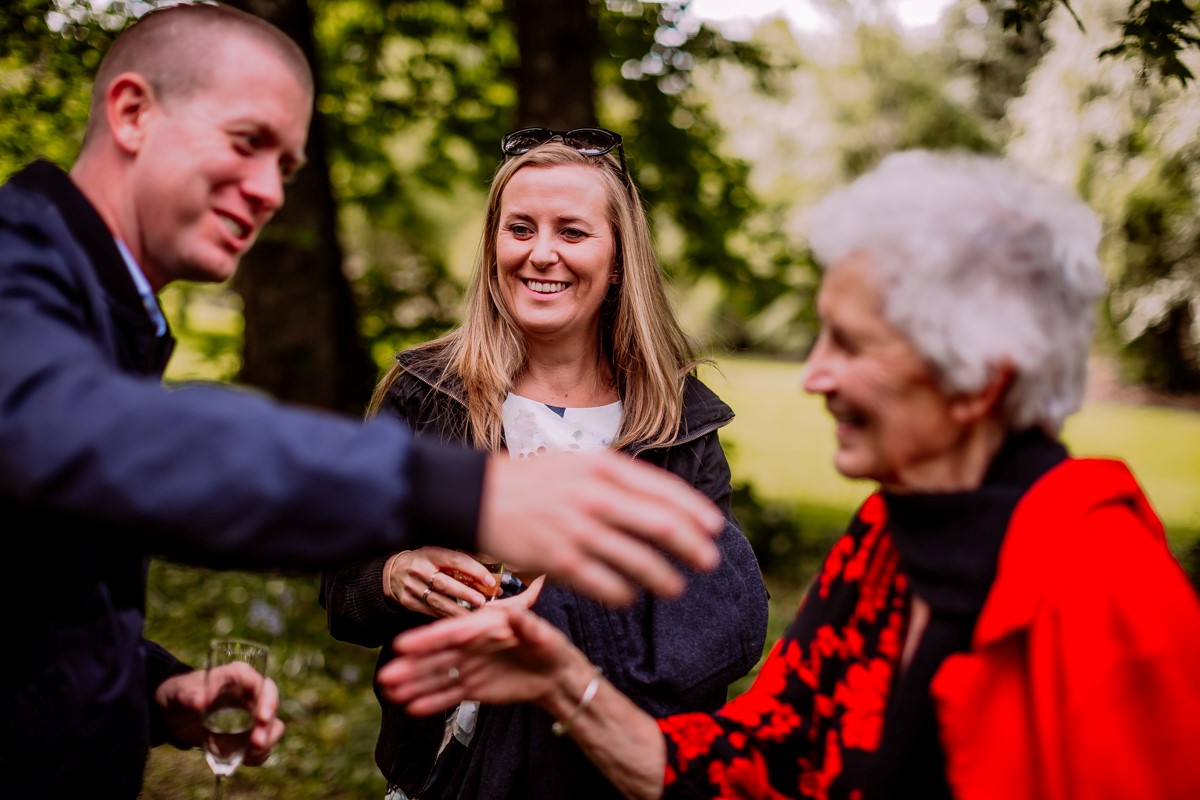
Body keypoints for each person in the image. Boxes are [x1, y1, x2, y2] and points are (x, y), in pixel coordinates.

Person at [0, 6, 728, 798]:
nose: (270, 191)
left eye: (286, 165)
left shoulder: (106, 312)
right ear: (132, 112)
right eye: (248, 143)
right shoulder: (20, 275)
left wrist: (146, 689)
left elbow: (34, 580)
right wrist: (472, 495)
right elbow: (83, 434)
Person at [375, 149, 1200, 799]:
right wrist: (566, 679)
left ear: (978, 377)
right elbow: (767, 759)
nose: (813, 375)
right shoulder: (883, 543)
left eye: (850, 344)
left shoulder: (1109, 585)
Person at [320, 129, 770, 799]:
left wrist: (569, 599)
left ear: (618, 261)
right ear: (493, 245)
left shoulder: (674, 419)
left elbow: (720, 624)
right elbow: (341, 591)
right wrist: (393, 575)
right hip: (445, 776)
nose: (541, 254)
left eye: (573, 232)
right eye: (520, 228)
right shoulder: (427, 394)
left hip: (607, 778)